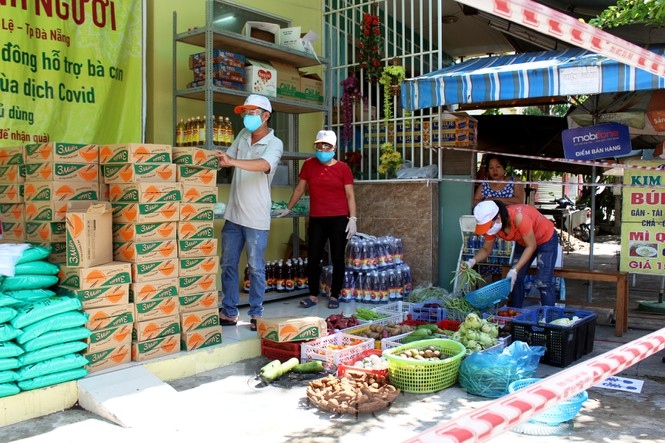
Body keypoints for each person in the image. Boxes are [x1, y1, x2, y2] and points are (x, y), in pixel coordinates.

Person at [215, 94, 283, 331]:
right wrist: (221, 159)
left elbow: (264, 165)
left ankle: (256, 313)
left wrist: (232, 163)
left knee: (255, 266)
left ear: (266, 116)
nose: (248, 118)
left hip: (256, 216)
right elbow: (230, 157)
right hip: (234, 213)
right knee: (228, 263)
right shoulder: (243, 135)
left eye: (253, 113)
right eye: (246, 113)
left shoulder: (275, 143)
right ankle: (230, 311)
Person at [277, 130, 357, 309]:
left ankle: (334, 295)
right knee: (313, 258)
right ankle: (312, 295)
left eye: (326, 146)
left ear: (334, 148)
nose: (322, 148)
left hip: (338, 219)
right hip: (317, 219)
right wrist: (288, 208)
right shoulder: (309, 164)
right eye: (319, 145)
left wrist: (353, 218)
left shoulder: (343, 168)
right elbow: (300, 189)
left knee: (337, 257)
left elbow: (350, 195)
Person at [462, 200, 559, 308]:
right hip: (523, 241)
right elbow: (486, 249)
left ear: (498, 217)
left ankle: (549, 319)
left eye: (488, 226)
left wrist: (514, 270)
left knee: (543, 282)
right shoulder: (493, 227)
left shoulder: (519, 217)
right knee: (515, 280)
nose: (487, 230)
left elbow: (531, 246)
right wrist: (471, 261)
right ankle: (515, 315)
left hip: (546, 239)